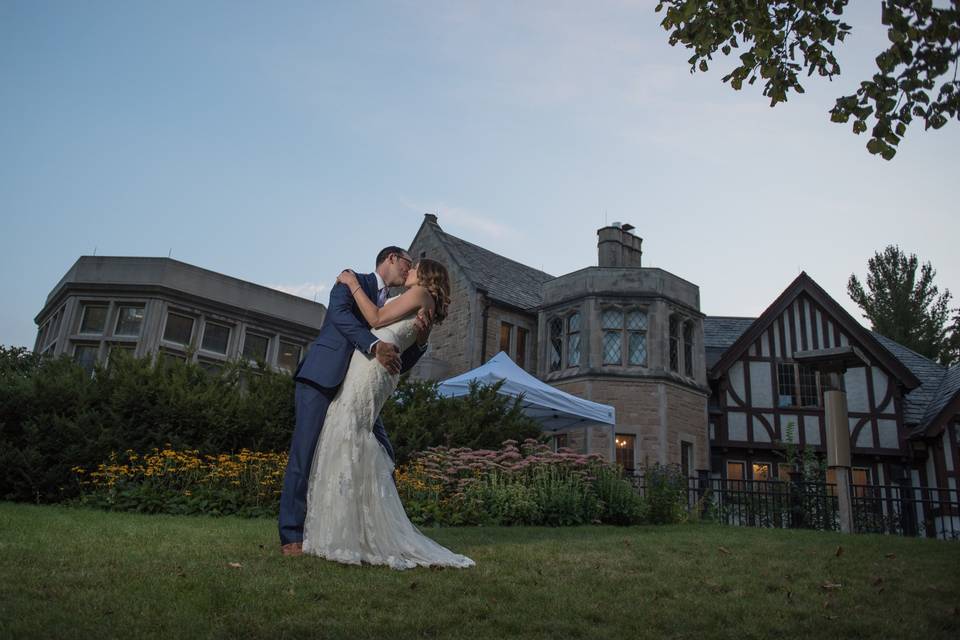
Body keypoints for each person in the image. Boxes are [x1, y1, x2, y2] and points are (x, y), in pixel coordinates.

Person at [301, 259, 474, 569]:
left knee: (349, 430)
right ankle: (346, 529)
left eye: (414, 266)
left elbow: (378, 317)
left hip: (375, 366)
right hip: (373, 363)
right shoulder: (423, 300)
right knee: (348, 429)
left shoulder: (421, 294)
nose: (409, 270)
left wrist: (352, 284)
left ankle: (350, 532)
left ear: (425, 276)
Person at [278, 247, 429, 556]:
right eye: (406, 262)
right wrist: (374, 345)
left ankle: (363, 528)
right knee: (304, 455)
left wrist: (421, 342)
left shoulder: (395, 304)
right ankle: (291, 535)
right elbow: (341, 318)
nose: (409, 269)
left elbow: (398, 356)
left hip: (358, 389)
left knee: (383, 452)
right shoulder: (349, 282)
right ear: (390, 259)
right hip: (322, 377)